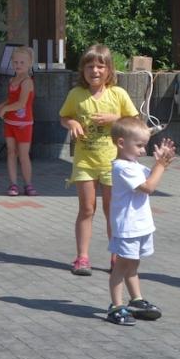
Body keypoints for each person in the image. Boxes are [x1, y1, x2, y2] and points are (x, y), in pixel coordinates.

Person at [58, 44, 138, 276]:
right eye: (90, 66)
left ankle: (116, 256)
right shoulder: (76, 94)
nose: (95, 71)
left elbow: (135, 121)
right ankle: (82, 257)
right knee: (86, 209)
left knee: (112, 210)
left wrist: (115, 118)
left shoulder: (118, 94)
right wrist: (72, 123)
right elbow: (64, 117)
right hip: (85, 161)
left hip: (113, 163)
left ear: (109, 70)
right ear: (82, 70)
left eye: (100, 66)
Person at [106, 118, 176, 325]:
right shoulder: (122, 167)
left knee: (133, 264)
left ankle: (136, 299)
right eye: (139, 145)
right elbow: (148, 187)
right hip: (128, 227)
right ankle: (116, 306)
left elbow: (151, 177)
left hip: (140, 225)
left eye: (144, 145)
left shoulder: (133, 165)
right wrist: (160, 166)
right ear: (121, 143)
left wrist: (162, 161)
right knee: (121, 266)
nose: (143, 150)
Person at [0, 46, 37, 196]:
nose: (18, 65)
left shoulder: (27, 82)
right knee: (11, 152)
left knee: (23, 155)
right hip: (10, 122)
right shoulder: (12, 80)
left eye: (22, 62)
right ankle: (13, 184)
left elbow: (21, 103)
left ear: (30, 63)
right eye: (16, 62)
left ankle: (28, 184)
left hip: (24, 124)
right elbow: (11, 99)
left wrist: (4, 109)